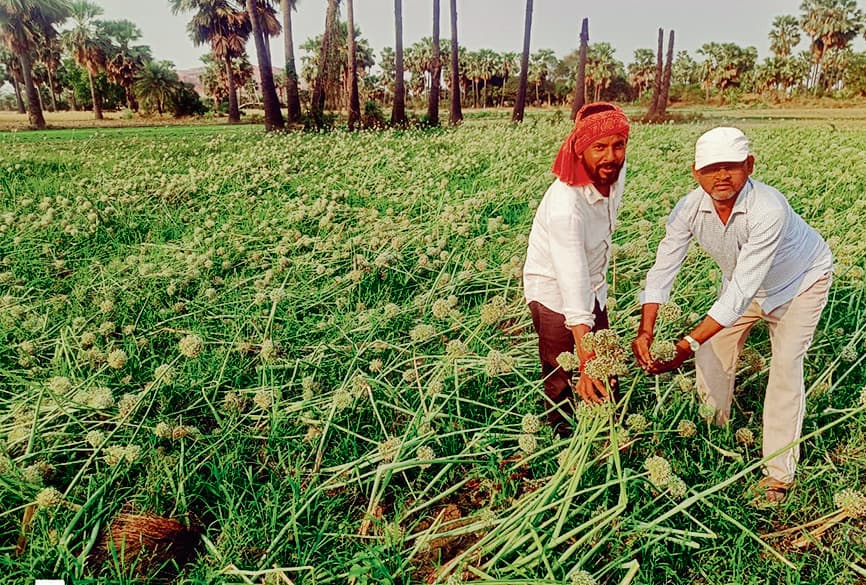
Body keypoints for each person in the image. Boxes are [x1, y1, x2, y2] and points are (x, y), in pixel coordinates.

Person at [632, 126, 833, 503]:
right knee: (711, 351)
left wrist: (684, 345)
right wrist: (646, 330)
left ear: (749, 165)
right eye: (711, 168)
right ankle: (712, 434)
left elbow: (741, 291)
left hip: (800, 283)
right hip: (743, 285)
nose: (721, 176)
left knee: (785, 367)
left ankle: (778, 474)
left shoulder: (768, 209)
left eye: (732, 166)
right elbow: (662, 268)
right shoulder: (688, 209)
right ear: (696, 172)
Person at [523, 102, 629, 432]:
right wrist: (586, 358)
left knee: (605, 359)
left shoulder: (613, 171)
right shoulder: (566, 207)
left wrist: (592, 357)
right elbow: (572, 281)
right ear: (581, 151)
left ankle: (608, 428)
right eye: (599, 148)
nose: (611, 156)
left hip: (594, 284)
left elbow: (585, 280)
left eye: (618, 145)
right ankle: (564, 435)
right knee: (562, 371)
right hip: (554, 290)